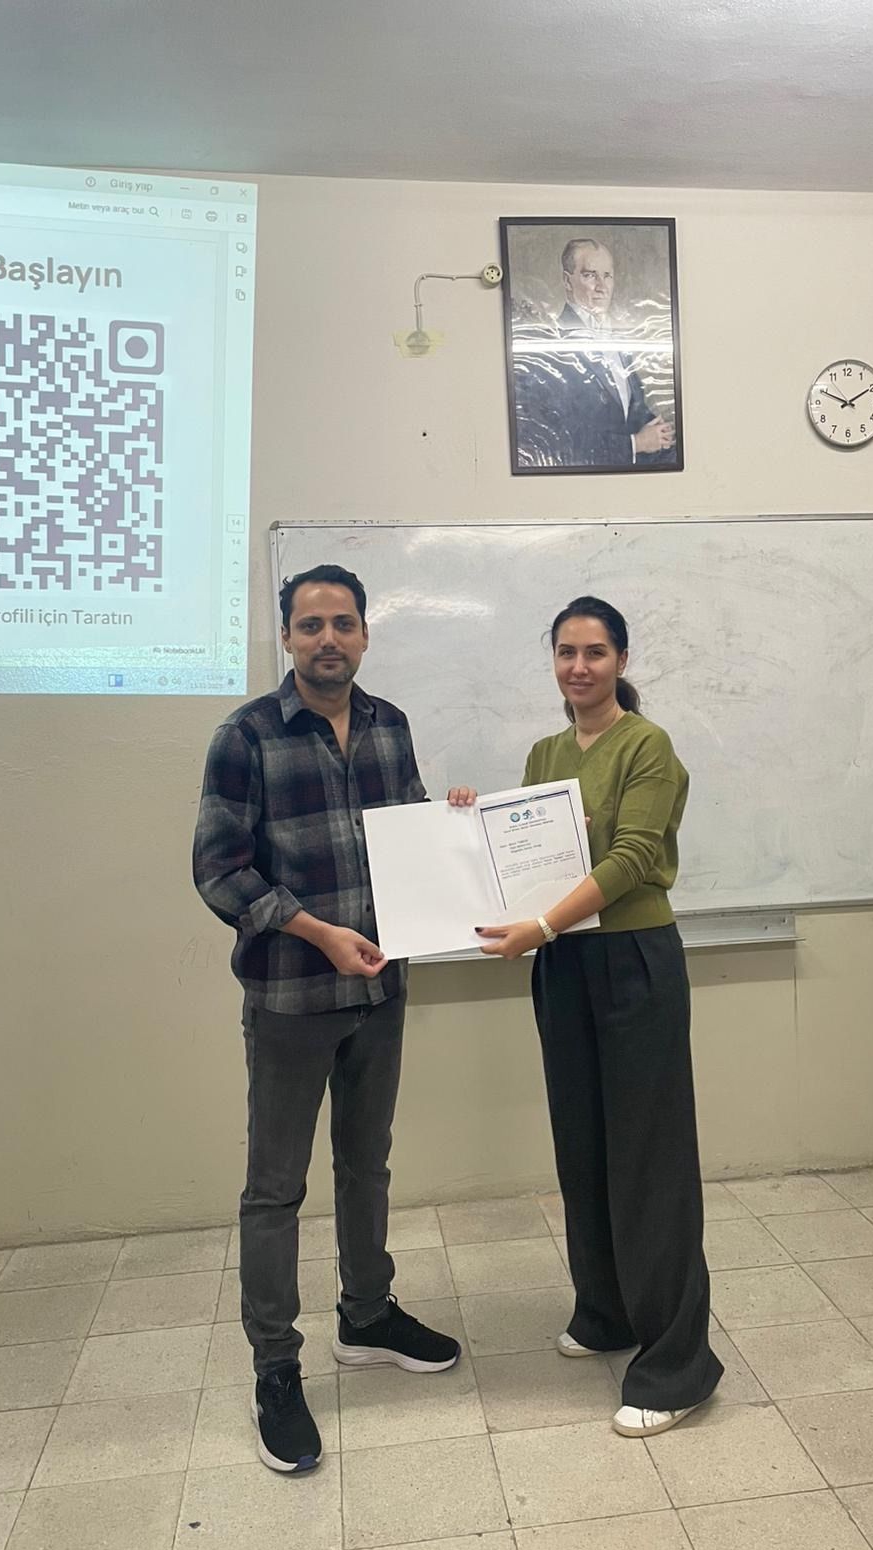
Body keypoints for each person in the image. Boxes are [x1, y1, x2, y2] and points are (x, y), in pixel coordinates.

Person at [193, 564, 460, 1476]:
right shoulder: (245, 738)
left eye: (344, 623)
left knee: (366, 1162)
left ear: (365, 633)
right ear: (287, 637)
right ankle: (275, 1366)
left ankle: (367, 1315)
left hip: (380, 991)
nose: (328, 639)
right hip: (291, 998)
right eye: (310, 625)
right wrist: (316, 932)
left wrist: (455, 822)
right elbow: (219, 871)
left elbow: (412, 842)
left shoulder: (390, 726)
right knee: (275, 1190)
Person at [460, 595, 721, 1437]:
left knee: (649, 1157)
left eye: (595, 652)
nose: (579, 667)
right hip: (565, 964)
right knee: (585, 1145)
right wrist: (467, 821)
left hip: (632, 959)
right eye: (566, 652)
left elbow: (633, 858)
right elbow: (525, 857)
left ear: (622, 660)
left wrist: (540, 926)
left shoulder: (647, 746)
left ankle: (678, 1367)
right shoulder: (545, 752)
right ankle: (605, 1311)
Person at [512, 238, 677, 470]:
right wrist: (636, 444)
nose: (602, 286)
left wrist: (662, 433)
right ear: (567, 281)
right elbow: (558, 438)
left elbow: (632, 411)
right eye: (590, 275)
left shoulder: (618, 339)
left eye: (607, 276)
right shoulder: (551, 345)